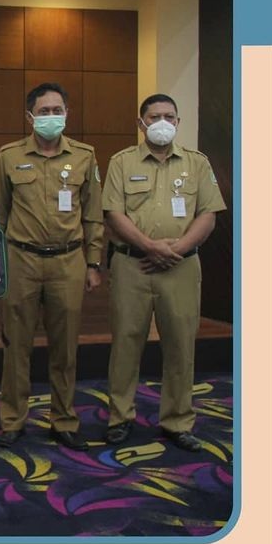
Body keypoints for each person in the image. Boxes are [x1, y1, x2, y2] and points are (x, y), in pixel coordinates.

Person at [102, 95, 226, 451]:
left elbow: (208, 215)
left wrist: (178, 249)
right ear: (141, 123)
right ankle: (120, 417)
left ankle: (177, 420)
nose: (162, 122)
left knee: (181, 345)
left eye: (169, 116)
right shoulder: (122, 162)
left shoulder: (197, 163)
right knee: (125, 344)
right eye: (154, 116)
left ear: (178, 122)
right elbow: (113, 214)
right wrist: (150, 246)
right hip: (132, 265)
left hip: (181, 267)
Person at [0, 83, 103, 450]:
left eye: (57, 110)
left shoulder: (85, 156)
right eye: (44, 111)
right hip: (20, 260)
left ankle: (64, 419)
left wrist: (94, 262)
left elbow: (93, 214)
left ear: (67, 114)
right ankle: (12, 419)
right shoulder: (9, 156)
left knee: (65, 347)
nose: (51, 117)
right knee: (16, 346)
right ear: (30, 117)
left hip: (68, 262)